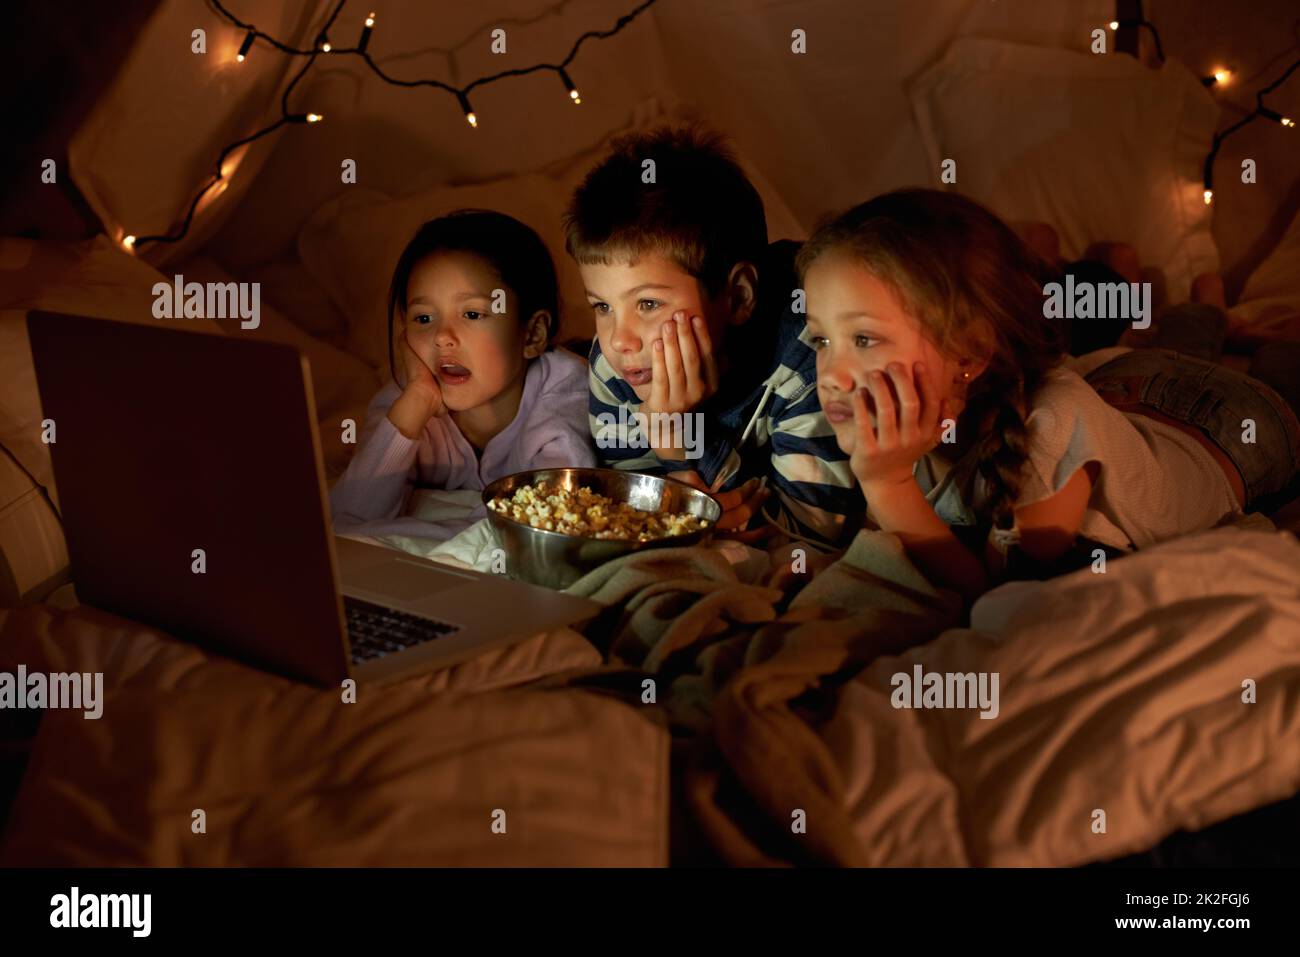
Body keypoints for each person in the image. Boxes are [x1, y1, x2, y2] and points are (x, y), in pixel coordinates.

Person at [796, 188, 1300, 601]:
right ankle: (1207, 307)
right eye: (820, 339)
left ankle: (1214, 308)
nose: (832, 373)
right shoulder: (898, 421)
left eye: (863, 339)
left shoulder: (1045, 442)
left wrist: (885, 484)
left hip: (1232, 425)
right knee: (1172, 342)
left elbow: (998, 599)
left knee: (1281, 364)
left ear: (970, 354)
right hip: (1120, 386)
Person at [330, 210, 594, 536]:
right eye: (423, 319)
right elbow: (345, 518)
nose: (441, 336)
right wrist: (417, 401)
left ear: (532, 335)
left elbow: (538, 523)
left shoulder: (567, 397)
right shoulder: (408, 402)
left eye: (472, 313)